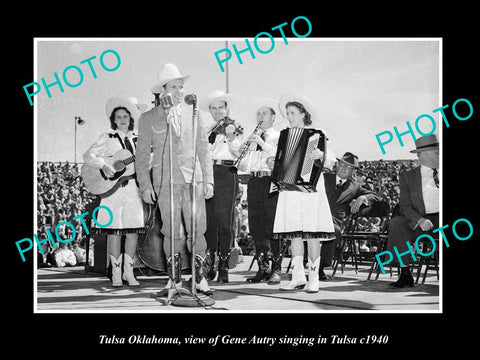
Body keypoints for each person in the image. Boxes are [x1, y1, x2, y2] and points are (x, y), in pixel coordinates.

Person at [135, 63, 214, 295]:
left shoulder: (196, 113)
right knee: (171, 231)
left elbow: (204, 149)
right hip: (164, 181)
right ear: (163, 90)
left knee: (197, 229)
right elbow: (141, 156)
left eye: (181, 86)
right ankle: (174, 279)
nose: (180, 90)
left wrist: (208, 180)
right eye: (174, 86)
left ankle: (199, 278)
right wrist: (145, 185)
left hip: (193, 181)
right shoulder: (149, 118)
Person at [272, 92, 336, 293]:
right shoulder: (284, 136)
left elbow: (332, 160)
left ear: (302, 114)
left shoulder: (317, 133)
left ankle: (314, 277)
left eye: (292, 113)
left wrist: (321, 155)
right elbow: (280, 161)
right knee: (294, 234)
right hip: (290, 190)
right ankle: (298, 277)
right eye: (288, 113)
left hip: (311, 189)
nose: (289, 116)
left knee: (312, 232)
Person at [83, 97, 145, 287]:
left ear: (130, 118)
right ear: (114, 120)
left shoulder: (138, 139)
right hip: (113, 191)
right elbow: (88, 156)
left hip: (133, 190)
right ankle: (116, 273)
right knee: (114, 231)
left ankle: (129, 272)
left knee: (133, 231)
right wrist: (105, 165)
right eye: (118, 117)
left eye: (125, 116)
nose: (122, 120)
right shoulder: (107, 138)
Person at [200, 90, 244, 283]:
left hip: (226, 173)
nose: (218, 111)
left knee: (224, 221)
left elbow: (239, 154)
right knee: (209, 222)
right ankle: (210, 263)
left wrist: (232, 136)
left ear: (226, 108)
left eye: (221, 107)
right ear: (210, 110)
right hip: (208, 174)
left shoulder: (235, 127)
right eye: (214, 108)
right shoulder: (207, 129)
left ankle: (224, 265)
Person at [237, 99, 283, 284]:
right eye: (258, 114)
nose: (260, 116)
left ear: (273, 118)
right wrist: (241, 154)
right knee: (256, 227)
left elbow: (280, 156)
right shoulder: (254, 136)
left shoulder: (278, 135)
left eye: (264, 113)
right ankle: (263, 267)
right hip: (254, 181)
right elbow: (245, 165)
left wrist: (261, 143)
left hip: (271, 181)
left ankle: (276, 270)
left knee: (273, 226)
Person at [386, 134, 439, 288]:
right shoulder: (408, 177)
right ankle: (405, 273)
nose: (440, 155)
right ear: (423, 155)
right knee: (397, 223)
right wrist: (419, 220)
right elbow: (404, 205)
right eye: (437, 152)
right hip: (422, 220)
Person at [321, 152, 383, 279]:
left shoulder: (355, 186)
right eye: (342, 164)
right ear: (337, 165)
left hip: (335, 221)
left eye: (348, 167)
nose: (343, 168)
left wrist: (362, 197)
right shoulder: (323, 177)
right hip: (317, 215)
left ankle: (320, 267)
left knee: (334, 230)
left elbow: (375, 196)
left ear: (354, 171)